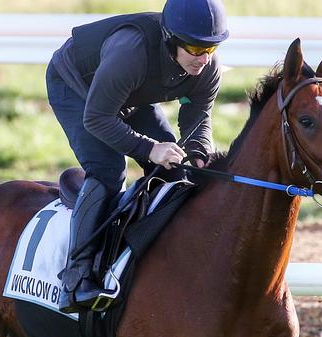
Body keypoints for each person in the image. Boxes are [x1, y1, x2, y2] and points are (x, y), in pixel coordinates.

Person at [46, 0, 229, 313]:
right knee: (108, 169)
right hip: (77, 88)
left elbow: (198, 115)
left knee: (178, 170)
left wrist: (199, 153)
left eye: (209, 49)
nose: (202, 59)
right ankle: (77, 276)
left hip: (129, 93)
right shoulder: (131, 52)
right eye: (194, 50)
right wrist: (148, 148)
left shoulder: (206, 67)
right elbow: (98, 118)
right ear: (171, 41)